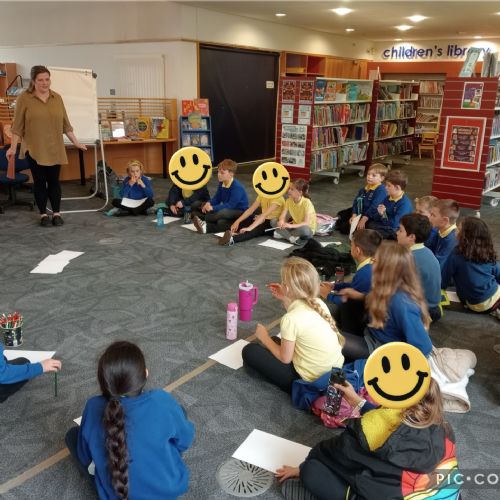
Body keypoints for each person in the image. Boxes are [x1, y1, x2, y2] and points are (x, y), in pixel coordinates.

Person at [276, 379, 459, 500]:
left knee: (312, 470)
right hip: (445, 495)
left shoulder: (365, 433)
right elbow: (388, 419)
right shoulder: (444, 428)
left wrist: (301, 468)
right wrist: (358, 402)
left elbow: (326, 452)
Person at [65, 341, 194, 499]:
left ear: (104, 381)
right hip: (167, 490)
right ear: (145, 374)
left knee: (72, 435)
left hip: (116, 493)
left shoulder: (93, 407)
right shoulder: (161, 401)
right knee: (179, 412)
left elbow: (84, 456)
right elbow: (184, 442)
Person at [242, 257, 344, 395]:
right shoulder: (318, 302)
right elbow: (297, 314)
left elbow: (285, 358)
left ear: (288, 288)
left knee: (250, 350)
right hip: (333, 372)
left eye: (283, 282)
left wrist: (264, 337)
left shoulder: (290, 319)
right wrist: (285, 297)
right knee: (275, 341)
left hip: (310, 382)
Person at [8, 65, 87, 226]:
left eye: (47, 79)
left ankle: (56, 213)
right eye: (40, 80)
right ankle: (43, 214)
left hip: (54, 148)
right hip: (34, 148)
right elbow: (17, 127)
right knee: (39, 182)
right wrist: (13, 147)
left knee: (54, 182)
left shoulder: (57, 98)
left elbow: (66, 124)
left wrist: (76, 142)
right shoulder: (24, 98)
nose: (45, 83)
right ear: (33, 81)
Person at [341, 241, 432, 361]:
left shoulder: (402, 303)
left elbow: (424, 347)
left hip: (381, 350)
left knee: (332, 340)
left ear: (385, 270)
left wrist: (394, 366)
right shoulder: (389, 289)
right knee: (348, 305)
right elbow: (383, 303)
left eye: (374, 261)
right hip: (374, 334)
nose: (371, 264)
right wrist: (360, 296)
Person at [320, 229, 382, 335]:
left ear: (357, 250)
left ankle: (349, 336)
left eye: (351, 245)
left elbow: (351, 302)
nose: (350, 247)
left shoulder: (365, 273)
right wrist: (335, 286)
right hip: (370, 310)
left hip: (366, 320)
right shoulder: (373, 263)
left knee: (327, 311)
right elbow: (355, 287)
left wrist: (328, 295)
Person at [442, 217, 500, 320]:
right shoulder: (486, 250)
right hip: (494, 294)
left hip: (475, 305)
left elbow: (444, 278)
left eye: (459, 229)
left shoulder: (456, 254)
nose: (455, 230)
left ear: (466, 236)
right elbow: (497, 272)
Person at [397, 214, 442, 322]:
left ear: (412, 237)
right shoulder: (427, 251)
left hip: (422, 311)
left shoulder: (408, 260)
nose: (397, 233)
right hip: (434, 307)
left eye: (400, 230)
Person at [192, 158, 249, 233]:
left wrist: (213, 208)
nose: (219, 175)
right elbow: (217, 198)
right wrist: (209, 203)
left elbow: (231, 205)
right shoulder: (222, 183)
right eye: (218, 172)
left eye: (222, 173)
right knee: (219, 219)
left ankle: (205, 218)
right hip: (228, 209)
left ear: (231, 174)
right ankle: (204, 218)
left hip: (239, 211)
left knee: (223, 214)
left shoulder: (237, 187)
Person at [218, 192, 285, 246]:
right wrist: (237, 222)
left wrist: (249, 228)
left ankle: (232, 239)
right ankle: (231, 233)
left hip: (272, 223)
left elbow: (264, 215)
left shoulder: (278, 198)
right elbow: (250, 210)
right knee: (244, 222)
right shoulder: (262, 195)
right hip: (262, 217)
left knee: (254, 231)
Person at [365, 170, 413, 240]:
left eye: (389, 186)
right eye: (386, 185)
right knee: (368, 224)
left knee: (374, 233)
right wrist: (379, 213)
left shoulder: (405, 204)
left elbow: (395, 225)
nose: (385, 187)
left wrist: (383, 214)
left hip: (395, 230)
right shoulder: (388, 198)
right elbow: (376, 216)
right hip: (385, 224)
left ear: (397, 188)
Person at [274, 179, 317, 245]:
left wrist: (291, 226)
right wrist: (281, 221)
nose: (289, 191)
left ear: (300, 193)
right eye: (289, 188)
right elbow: (283, 215)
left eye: (292, 189)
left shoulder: (307, 202)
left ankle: (284, 234)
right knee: (273, 221)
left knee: (305, 230)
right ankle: (291, 238)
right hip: (294, 227)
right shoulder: (288, 200)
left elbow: (306, 223)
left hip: (305, 229)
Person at [349, 163, 388, 230]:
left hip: (371, 216)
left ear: (381, 178)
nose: (369, 177)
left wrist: (364, 219)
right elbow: (356, 201)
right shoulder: (364, 189)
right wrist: (354, 214)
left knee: (366, 227)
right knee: (343, 214)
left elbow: (374, 206)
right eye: (368, 174)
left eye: (373, 175)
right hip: (361, 212)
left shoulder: (381, 190)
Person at [426, 198, 460, 268]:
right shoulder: (440, 230)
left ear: (445, 220)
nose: (429, 218)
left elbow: (437, 266)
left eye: (433, 215)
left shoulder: (451, 240)